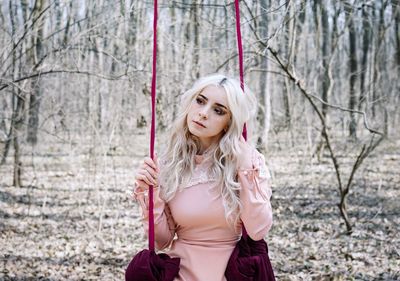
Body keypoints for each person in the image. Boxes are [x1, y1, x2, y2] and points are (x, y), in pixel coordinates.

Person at [132, 73, 273, 281]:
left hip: (233, 271)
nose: (204, 113)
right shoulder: (168, 165)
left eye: (218, 110)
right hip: (181, 272)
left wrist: (245, 169)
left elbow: (258, 230)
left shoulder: (247, 160)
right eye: (200, 101)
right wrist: (149, 192)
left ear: (228, 122)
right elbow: (161, 241)